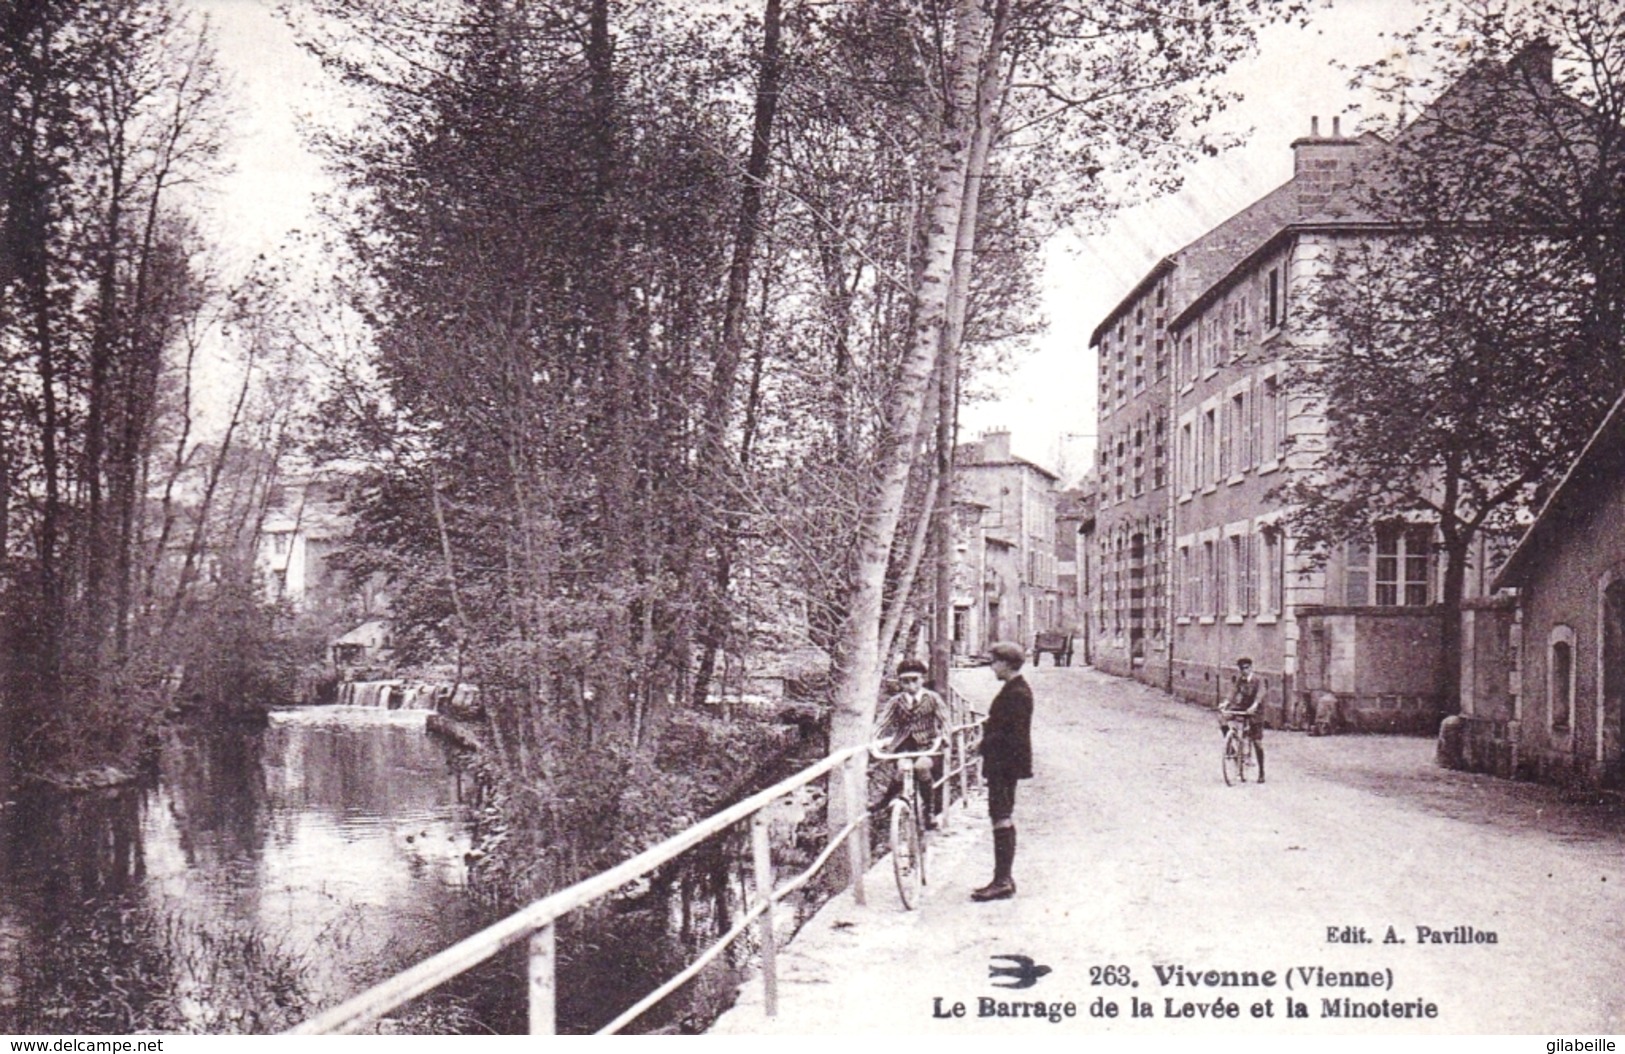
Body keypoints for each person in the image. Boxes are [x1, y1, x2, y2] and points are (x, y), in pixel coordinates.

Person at [972, 641, 1033, 902]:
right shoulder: (1014, 689)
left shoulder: (1017, 693)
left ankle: (1002, 880)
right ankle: (1002, 878)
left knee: (1001, 816)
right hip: (1004, 761)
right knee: (1000, 815)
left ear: (1007, 663)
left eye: (994, 662)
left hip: (1005, 762)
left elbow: (1011, 734)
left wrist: (983, 743)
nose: (991, 667)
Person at [872, 658, 951, 827]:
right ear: (900, 682)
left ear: (922, 679)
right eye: (905, 681)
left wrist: (944, 737)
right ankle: (887, 800)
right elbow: (882, 721)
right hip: (904, 745)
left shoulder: (932, 698)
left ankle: (929, 812)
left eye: (915, 680)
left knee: (922, 768)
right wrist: (874, 739)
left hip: (928, 744)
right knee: (902, 769)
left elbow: (945, 720)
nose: (911, 685)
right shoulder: (896, 702)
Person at [1220, 656, 1266, 783]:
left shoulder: (1259, 680)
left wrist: (1255, 705)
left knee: (1257, 742)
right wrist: (1226, 702)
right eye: (1241, 669)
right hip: (1243, 707)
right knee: (1222, 718)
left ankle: (1261, 772)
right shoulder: (1240, 680)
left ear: (1251, 668)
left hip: (1256, 711)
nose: (1244, 671)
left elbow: (1260, 694)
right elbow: (1233, 691)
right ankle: (1231, 747)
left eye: (1246, 668)